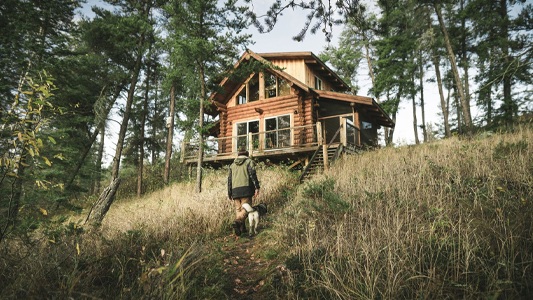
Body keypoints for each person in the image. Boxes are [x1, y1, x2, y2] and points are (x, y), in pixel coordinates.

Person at [227, 149, 260, 236]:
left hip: (235, 190)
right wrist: (257, 187)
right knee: (246, 209)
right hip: (246, 189)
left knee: (239, 210)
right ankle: (237, 222)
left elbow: (229, 180)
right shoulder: (249, 162)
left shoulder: (232, 165)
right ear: (247, 155)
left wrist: (229, 192)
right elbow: (252, 174)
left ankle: (242, 229)